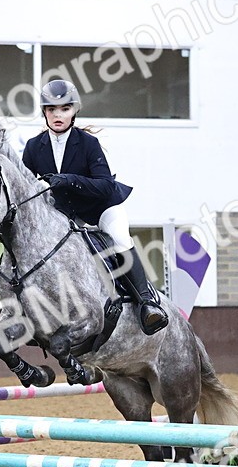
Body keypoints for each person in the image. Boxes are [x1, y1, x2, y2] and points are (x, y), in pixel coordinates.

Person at [21, 79, 168, 335]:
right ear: (44, 112)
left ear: (74, 111)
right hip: (66, 216)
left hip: (101, 209)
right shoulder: (34, 147)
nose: (58, 115)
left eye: (64, 109)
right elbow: (25, 189)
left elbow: (105, 185)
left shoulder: (88, 144)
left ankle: (147, 303)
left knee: (121, 239)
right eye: (52, 109)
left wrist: (69, 179)